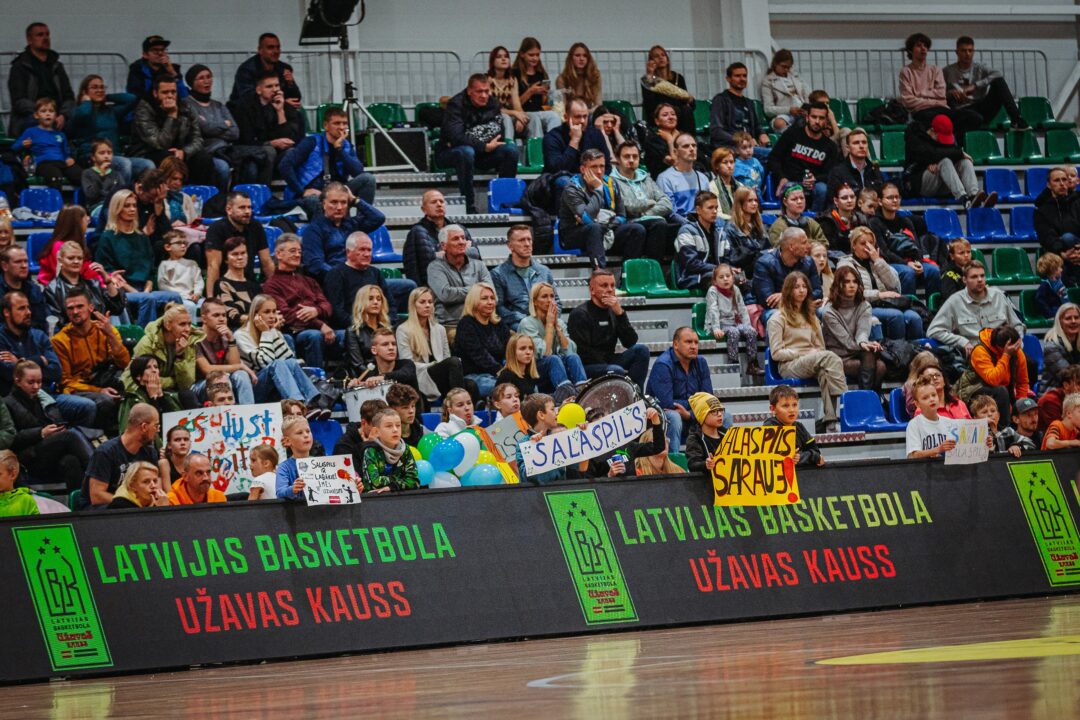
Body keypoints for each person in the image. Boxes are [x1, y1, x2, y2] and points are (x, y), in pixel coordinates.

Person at [767, 272, 847, 433]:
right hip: (789, 365)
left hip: (812, 361)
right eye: (796, 287)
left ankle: (831, 421)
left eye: (804, 286)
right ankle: (847, 402)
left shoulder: (812, 317)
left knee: (826, 371)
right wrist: (802, 353)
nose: (801, 290)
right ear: (788, 290)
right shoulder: (777, 319)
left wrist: (812, 354)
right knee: (830, 357)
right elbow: (776, 353)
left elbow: (820, 348)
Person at [436, 74, 519, 214]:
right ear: (469, 91)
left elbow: (498, 133)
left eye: (486, 91)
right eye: (479, 91)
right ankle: (468, 206)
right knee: (466, 152)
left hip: (482, 154)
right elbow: (456, 137)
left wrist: (475, 140)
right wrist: (483, 145)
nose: (484, 95)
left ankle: (504, 203)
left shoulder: (493, 103)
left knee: (510, 150)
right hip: (450, 153)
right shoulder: (456, 104)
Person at [5, 359, 93, 492]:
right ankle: (99, 471)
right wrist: (41, 433)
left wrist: (57, 428)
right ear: (17, 381)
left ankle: (82, 500)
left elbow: (56, 421)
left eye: (39, 382)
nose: (36, 386)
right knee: (69, 436)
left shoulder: (44, 400)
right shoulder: (7, 403)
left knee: (70, 461)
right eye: (31, 382)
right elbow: (11, 438)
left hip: (47, 453)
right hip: (27, 457)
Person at [95, 190, 178, 326]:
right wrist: (137, 292)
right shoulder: (108, 237)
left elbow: (151, 270)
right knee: (147, 299)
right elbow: (109, 273)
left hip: (145, 289)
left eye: (134, 205)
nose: (132, 209)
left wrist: (147, 290)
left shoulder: (142, 237)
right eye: (127, 206)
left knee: (175, 297)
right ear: (117, 209)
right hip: (123, 291)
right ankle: (146, 337)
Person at [51, 288, 130, 428]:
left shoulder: (105, 329)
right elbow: (67, 382)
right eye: (70, 308)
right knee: (105, 400)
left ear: (91, 308)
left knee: (131, 387)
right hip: (80, 388)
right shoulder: (59, 340)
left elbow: (124, 363)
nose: (75, 312)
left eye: (80, 306)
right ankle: (102, 435)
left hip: (105, 377)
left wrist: (110, 335)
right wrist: (98, 391)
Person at [278, 106, 376, 217]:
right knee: (314, 201)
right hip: (314, 193)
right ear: (326, 126)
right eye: (337, 123)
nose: (341, 127)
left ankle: (361, 222)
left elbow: (358, 172)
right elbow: (285, 165)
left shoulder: (347, 146)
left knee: (368, 179)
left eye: (344, 124)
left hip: (337, 191)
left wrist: (340, 150)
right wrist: (302, 191)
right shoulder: (311, 142)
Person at [234, 294, 326, 410]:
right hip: (255, 388)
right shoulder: (241, 335)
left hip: (277, 385)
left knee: (291, 362)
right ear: (255, 315)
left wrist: (272, 332)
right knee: (277, 364)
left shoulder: (271, 331)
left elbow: (288, 359)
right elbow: (265, 363)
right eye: (267, 312)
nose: (272, 316)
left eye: (274, 311)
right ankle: (296, 405)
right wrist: (267, 333)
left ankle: (313, 402)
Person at [262, 234, 339, 369]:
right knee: (314, 336)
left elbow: (327, 306)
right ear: (279, 254)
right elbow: (287, 315)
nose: (298, 255)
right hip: (296, 331)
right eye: (293, 251)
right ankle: (316, 378)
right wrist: (320, 324)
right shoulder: (271, 285)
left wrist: (316, 311)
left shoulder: (309, 280)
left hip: (322, 328)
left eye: (299, 251)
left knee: (349, 334)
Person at [558, 149, 645, 268]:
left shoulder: (611, 183)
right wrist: (598, 189)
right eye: (594, 167)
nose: (599, 171)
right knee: (594, 228)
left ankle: (627, 273)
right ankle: (599, 271)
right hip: (574, 234)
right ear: (583, 169)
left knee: (637, 229)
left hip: (605, 229)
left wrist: (605, 224)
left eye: (602, 166)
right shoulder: (572, 189)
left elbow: (622, 216)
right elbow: (587, 219)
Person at [567, 269, 651, 388]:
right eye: (604, 286)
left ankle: (636, 393)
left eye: (612, 285)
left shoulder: (614, 311)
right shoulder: (580, 314)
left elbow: (630, 342)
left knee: (641, 351)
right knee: (615, 369)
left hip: (609, 361)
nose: (610, 290)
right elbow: (582, 352)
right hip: (587, 366)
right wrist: (608, 364)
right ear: (592, 290)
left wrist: (620, 314)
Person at [837, 227, 922, 340]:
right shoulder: (845, 265)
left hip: (885, 304)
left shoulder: (877, 262)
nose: (868, 247)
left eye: (871, 243)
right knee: (895, 316)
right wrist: (879, 295)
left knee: (914, 318)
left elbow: (894, 286)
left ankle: (917, 349)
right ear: (853, 246)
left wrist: (878, 262)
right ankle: (897, 349)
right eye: (863, 243)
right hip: (860, 307)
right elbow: (849, 293)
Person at [130, 76, 215, 188]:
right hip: (149, 153)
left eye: (173, 92)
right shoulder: (144, 110)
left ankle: (200, 194)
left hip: (179, 152)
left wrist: (184, 152)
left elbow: (197, 139)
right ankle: (168, 194)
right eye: (165, 92)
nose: (170, 96)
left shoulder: (185, 107)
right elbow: (160, 144)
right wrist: (171, 115)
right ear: (155, 93)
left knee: (205, 159)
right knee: (168, 158)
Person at [184, 65, 257, 186]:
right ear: (192, 82)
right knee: (222, 167)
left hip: (225, 150)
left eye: (209, 77)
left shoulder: (218, 105)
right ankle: (220, 196)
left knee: (250, 163)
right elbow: (203, 127)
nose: (206, 81)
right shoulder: (187, 104)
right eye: (201, 78)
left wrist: (211, 126)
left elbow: (235, 132)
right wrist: (224, 124)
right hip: (205, 151)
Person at [928, 262, 1024, 354]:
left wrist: (1017, 341)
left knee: (1028, 362)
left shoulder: (999, 296)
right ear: (964, 280)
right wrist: (961, 341)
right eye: (974, 277)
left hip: (1002, 351)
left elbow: (1017, 325)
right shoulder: (954, 301)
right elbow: (934, 330)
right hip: (975, 354)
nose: (980, 280)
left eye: (982, 276)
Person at [396, 287, 470, 404]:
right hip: (421, 375)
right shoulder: (403, 330)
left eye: (430, 302)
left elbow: (446, 357)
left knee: (471, 385)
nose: (427, 305)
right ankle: (457, 405)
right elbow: (408, 364)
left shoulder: (439, 329)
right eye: (422, 302)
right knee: (453, 362)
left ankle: (460, 409)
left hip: (440, 374)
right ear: (413, 305)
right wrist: (434, 365)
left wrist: (440, 365)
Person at [300, 183, 386, 284]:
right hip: (333, 283)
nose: (339, 207)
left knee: (401, 286)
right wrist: (343, 276)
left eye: (344, 202)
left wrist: (355, 200)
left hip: (359, 278)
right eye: (334, 202)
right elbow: (315, 264)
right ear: (323, 204)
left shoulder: (352, 224)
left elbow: (378, 218)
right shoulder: (314, 230)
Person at [608, 141, 680, 262]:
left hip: (650, 222)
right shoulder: (611, 181)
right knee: (653, 225)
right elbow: (626, 206)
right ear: (618, 159)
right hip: (625, 226)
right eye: (626, 156)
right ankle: (638, 269)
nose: (631, 160)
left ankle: (655, 268)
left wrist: (645, 213)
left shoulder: (646, 178)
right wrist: (648, 203)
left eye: (635, 156)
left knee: (676, 228)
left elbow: (667, 203)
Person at [898, 33, 980, 137]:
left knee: (975, 117)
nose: (923, 49)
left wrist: (919, 94)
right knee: (937, 121)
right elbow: (908, 100)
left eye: (925, 46)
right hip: (921, 111)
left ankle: (955, 143)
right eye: (919, 45)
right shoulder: (906, 71)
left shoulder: (935, 70)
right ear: (910, 50)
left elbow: (941, 94)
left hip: (942, 108)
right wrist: (932, 99)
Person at [646, 327, 714, 452]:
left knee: (725, 416)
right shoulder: (663, 364)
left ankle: (718, 460)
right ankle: (674, 460)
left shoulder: (701, 363)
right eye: (688, 342)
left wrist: (689, 414)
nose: (693, 346)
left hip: (692, 417)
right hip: (663, 419)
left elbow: (709, 400)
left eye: (696, 342)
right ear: (676, 344)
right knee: (674, 416)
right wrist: (697, 405)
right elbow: (667, 404)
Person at [326, 231, 413, 328]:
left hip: (379, 326)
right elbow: (338, 312)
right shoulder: (336, 274)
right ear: (348, 252)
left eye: (369, 250)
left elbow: (390, 304)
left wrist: (387, 322)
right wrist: (365, 326)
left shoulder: (375, 273)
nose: (367, 254)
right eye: (362, 250)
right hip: (352, 327)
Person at [68, 76, 146, 182]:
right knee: (124, 164)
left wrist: (106, 96)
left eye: (102, 87)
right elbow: (84, 113)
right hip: (91, 157)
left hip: (115, 156)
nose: (99, 90)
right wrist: (87, 101)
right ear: (84, 92)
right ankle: (119, 192)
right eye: (94, 87)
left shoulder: (111, 111)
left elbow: (131, 99)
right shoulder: (79, 111)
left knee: (146, 165)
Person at [82, 402, 160, 508]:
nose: (158, 430)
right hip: (101, 511)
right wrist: (133, 504)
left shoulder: (150, 453)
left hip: (135, 508)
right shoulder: (106, 452)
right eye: (156, 425)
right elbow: (97, 496)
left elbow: (156, 489)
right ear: (144, 427)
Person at [904, 114, 991, 209]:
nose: (943, 142)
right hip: (920, 183)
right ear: (932, 131)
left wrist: (940, 161)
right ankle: (963, 198)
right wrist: (931, 163)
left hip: (943, 182)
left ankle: (973, 195)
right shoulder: (916, 137)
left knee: (965, 162)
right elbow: (929, 153)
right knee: (945, 161)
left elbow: (950, 153)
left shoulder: (949, 137)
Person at [868, 183, 941, 296]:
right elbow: (884, 252)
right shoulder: (874, 222)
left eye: (897, 197)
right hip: (890, 264)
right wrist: (906, 263)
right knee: (908, 272)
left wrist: (918, 262)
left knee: (933, 270)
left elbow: (916, 246)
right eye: (890, 197)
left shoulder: (906, 221)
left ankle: (934, 306)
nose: (895, 200)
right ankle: (908, 304)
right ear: (880, 201)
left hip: (910, 263)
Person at [767, 102, 840, 213]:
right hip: (790, 181)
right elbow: (773, 158)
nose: (817, 121)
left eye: (821, 118)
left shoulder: (830, 146)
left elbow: (831, 173)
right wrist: (781, 177)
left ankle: (815, 219)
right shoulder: (792, 134)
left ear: (826, 121)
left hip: (813, 185)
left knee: (822, 189)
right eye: (814, 117)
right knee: (791, 188)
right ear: (807, 118)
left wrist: (816, 179)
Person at [124, 305, 202, 408]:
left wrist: (179, 356)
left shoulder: (188, 343)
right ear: (168, 325)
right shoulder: (148, 343)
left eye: (189, 324)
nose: (188, 329)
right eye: (182, 324)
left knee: (188, 395)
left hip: (170, 392)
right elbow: (141, 379)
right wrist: (173, 381)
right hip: (143, 390)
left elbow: (186, 384)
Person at [822, 265, 886, 390]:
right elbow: (846, 341)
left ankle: (866, 398)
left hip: (857, 352)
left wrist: (863, 342)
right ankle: (869, 398)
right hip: (838, 356)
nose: (852, 285)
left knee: (880, 366)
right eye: (847, 282)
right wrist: (864, 345)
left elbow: (863, 330)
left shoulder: (864, 306)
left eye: (855, 281)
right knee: (877, 365)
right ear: (838, 284)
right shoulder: (829, 311)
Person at [517, 282, 587, 393]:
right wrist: (549, 325)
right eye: (544, 296)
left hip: (555, 366)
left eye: (552, 296)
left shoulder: (559, 322)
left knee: (573, 357)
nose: (550, 300)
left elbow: (570, 351)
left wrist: (557, 328)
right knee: (553, 359)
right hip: (534, 369)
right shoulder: (527, 323)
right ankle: (566, 394)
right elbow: (545, 353)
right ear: (535, 301)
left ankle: (583, 392)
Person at [944, 36, 1027, 130]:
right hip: (962, 110)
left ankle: (1017, 119)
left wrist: (976, 85)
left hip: (981, 107)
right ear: (957, 52)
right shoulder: (947, 71)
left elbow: (998, 74)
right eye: (963, 51)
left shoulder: (980, 67)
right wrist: (951, 93)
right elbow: (940, 93)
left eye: (970, 50)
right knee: (968, 115)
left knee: (998, 81)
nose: (967, 54)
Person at [955, 324, 1031, 426]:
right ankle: (1003, 430)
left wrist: (1020, 405)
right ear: (1001, 347)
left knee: (1027, 404)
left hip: (1004, 390)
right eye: (1014, 347)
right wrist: (1006, 355)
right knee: (1001, 391)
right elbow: (993, 380)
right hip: (972, 390)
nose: (1017, 349)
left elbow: (1023, 382)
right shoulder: (980, 351)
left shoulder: (1017, 352)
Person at [402, 189, 480, 288]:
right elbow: (413, 267)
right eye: (433, 202)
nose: (439, 204)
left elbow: (476, 255)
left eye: (441, 201)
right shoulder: (417, 232)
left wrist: (440, 255)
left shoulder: (459, 229)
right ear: (423, 209)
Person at [6, 22, 74, 135]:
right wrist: (44, 113)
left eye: (47, 34)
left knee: (78, 122)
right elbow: (19, 101)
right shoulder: (20, 66)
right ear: (29, 39)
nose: (45, 38)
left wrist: (63, 115)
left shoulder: (57, 66)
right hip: (30, 116)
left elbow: (69, 96)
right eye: (40, 35)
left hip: (57, 115)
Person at [205, 191, 273, 296]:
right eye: (242, 208)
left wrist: (276, 291)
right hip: (225, 286)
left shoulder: (256, 226)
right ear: (229, 209)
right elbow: (213, 266)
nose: (247, 211)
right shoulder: (216, 229)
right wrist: (211, 298)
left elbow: (267, 262)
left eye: (249, 207)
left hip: (250, 283)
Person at [232, 71, 304, 170]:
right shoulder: (245, 109)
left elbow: (289, 139)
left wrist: (280, 111)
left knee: (292, 153)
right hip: (256, 152)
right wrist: (271, 143)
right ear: (258, 90)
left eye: (277, 85)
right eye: (269, 86)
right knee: (264, 155)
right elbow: (246, 140)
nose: (275, 90)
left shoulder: (286, 108)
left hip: (279, 153)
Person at [452, 283, 511, 401]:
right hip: (474, 376)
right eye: (484, 298)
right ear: (473, 301)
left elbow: (509, 350)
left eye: (492, 298)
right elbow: (479, 354)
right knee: (505, 389)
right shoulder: (466, 324)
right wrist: (501, 372)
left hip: (497, 373)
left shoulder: (499, 324)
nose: (490, 302)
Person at [490, 225, 557, 330]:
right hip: (517, 324)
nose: (527, 244)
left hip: (545, 321)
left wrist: (550, 319)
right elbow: (499, 307)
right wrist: (526, 320)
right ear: (510, 246)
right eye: (521, 240)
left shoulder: (544, 271)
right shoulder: (498, 274)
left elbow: (556, 301)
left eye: (529, 239)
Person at [427, 224, 493, 328]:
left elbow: (492, 294)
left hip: (481, 321)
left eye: (463, 238)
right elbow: (446, 294)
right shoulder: (435, 268)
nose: (461, 242)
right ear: (444, 246)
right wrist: (477, 291)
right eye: (456, 239)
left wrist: (480, 294)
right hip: (451, 324)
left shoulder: (479, 265)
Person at [195, 299, 256, 404]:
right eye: (216, 315)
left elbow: (234, 364)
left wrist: (231, 340)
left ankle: (248, 411)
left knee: (241, 374)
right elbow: (207, 370)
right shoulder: (195, 339)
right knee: (222, 380)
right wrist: (240, 366)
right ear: (204, 319)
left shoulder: (226, 337)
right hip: (201, 385)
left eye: (224, 315)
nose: (222, 319)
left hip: (223, 379)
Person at [705, 264, 762, 376]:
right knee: (734, 332)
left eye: (728, 276)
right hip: (718, 325)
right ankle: (733, 365)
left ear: (733, 278)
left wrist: (747, 325)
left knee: (751, 331)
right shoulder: (713, 291)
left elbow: (742, 309)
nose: (725, 279)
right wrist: (716, 328)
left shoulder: (735, 289)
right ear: (715, 281)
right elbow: (713, 310)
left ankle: (752, 364)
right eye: (721, 277)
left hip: (733, 323)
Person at [753, 227, 822, 317]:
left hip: (804, 306)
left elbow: (818, 292)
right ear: (791, 247)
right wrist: (801, 299)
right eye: (804, 243)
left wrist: (785, 296)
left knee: (822, 311)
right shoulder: (764, 263)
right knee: (775, 315)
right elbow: (768, 301)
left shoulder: (809, 262)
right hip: (777, 310)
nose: (809, 246)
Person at [15, 98, 82, 189]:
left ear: (56, 116)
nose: (48, 114)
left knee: (81, 176)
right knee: (55, 177)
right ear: (36, 115)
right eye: (43, 111)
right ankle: (56, 198)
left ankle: (87, 198)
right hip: (44, 163)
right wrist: (22, 144)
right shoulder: (30, 131)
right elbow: (14, 147)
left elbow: (65, 152)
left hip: (62, 162)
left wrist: (68, 158)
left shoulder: (61, 134)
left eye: (51, 111)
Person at [497, 331, 578, 402]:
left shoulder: (529, 374)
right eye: (522, 348)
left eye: (531, 348)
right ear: (512, 352)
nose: (528, 352)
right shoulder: (506, 376)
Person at [719, 187, 769, 302]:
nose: (754, 204)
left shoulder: (760, 227)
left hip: (760, 272)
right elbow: (730, 259)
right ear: (740, 203)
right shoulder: (730, 229)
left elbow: (768, 251)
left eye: (756, 200)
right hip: (742, 275)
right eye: (750, 200)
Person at [541, 96, 611, 178]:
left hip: (591, 178)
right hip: (561, 179)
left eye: (585, 116)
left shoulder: (595, 134)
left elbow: (607, 165)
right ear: (566, 117)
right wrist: (574, 141)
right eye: (578, 117)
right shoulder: (552, 137)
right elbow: (556, 170)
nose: (582, 121)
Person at [711, 62, 770, 157]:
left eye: (744, 76)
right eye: (737, 76)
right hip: (731, 147)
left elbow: (757, 126)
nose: (742, 79)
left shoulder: (749, 103)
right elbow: (716, 131)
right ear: (728, 79)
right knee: (774, 155)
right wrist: (743, 140)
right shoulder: (720, 100)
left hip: (750, 148)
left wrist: (762, 134)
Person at [1034, 168, 1080, 285]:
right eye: (1057, 180)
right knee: (1066, 240)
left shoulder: (1078, 202)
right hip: (1059, 255)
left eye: (1064, 179)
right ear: (1049, 185)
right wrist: (1062, 253)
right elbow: (1047, 237)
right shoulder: (1042, 211)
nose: (1062, 183)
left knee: (1068, 238)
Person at [230, 33, 302, 107]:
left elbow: (296, 99)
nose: (276, 51)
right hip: (244, 110)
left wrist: (291, 84)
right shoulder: (246, 70)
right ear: (260, 50)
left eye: (278, 47)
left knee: (295, 112)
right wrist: (281, 103)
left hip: (275, 109)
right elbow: (248, 99)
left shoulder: (283, 68)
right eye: (270, 47)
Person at [358, 408, 420, 493]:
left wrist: (392, 487)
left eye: (398, 425)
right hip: (376, 499)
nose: (395, 430)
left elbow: (414, 482)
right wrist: (401, 481)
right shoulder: (371, 451)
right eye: (389, 426)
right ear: (376, 431)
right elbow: (374, 483)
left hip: (401, 498)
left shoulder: (405, 449)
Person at [511, 37, 561, 139]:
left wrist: (546, 96)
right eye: (531, 55)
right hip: (523, 112)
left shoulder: (541, 74)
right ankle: (537, 145)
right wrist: (530, 92)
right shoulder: (515, 73)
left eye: (537, 55)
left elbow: (544, 103)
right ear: (522, 54)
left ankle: (553, 143)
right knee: (535, 119)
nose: (535, 58)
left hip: (539, 111)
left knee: (554, 116)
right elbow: (513, 104)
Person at [117, 354, 183, 430]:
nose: (154, 370)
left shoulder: (168, 396)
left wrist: (161, 396)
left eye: (156, 367)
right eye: (148, 367)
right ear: (138, 376)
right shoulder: (132, 399)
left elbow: (175, 422)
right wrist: (153, 399)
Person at [348, 326, 419, 396]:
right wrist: (355, 385)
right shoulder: (370, 373)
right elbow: (360, 385)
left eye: (394, 344)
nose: (391, 348)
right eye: (385, 344)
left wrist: (382, 378)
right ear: (374, 350)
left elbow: (404, 375)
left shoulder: (407, 364)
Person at [673, 191, 721, 294]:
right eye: (710, 208)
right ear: (698, 210)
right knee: (719, 280)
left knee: (742, 280)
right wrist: (718, 269)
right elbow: (691, 264)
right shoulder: (686, 231)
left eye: (716, 208)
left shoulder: (719, 232)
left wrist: (730, 269)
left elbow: (726, 258)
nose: (715, 211)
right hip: (691, 277)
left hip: (716, 274)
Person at [515, 393, 567, 484]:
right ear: (541, 415)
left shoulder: (560, 437)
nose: (557, 412)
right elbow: (533, 478)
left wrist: (584, 432)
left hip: (563, 491)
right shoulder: (523, 445)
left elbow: (580, 468)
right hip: (537, 493)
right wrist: (535, 448)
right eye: (552, 409)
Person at [764, 384, 823, 466]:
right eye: (785, 406)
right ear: (773, 409)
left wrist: (800, 457)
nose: (792, 410)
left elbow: (817, 454)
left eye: (795, 405)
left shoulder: (799, 427)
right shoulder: (769, 428)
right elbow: (774, 459)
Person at [641, 45, 695, 133]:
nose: (661, 58)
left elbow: (687, 102)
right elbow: (649, 104)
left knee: (686, 110)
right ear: (651, 61)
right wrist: (650, 75)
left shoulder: (678, 77)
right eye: (656, 56)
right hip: (658, 114)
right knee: (670, 113)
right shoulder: (647, 79)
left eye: (663, 55)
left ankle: (688, 139)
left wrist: (690, 99)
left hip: (678, 113)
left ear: (667, 59)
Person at [214, 236, 263, 330]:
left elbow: (264, 309)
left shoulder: (254, 284)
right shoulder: (222, 284)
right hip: (237, 330)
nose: (240, 257)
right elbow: (232, 316)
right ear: (226, 259)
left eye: (243, 253)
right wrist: (259, 320)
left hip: (258, 328)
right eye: (235, 254)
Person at [825, 128, 884, 205]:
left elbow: (881, 198)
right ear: (848, 148)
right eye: (856, 143)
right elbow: (833, 202)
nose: (861, 146)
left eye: (864, 142)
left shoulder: (874, 170)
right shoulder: (837, 173)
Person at [657, 134, 710, 217]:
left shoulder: (703, 178)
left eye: (694, 145)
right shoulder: (665, 179)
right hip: (680, 223)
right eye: (686, 146)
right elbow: (671, 213)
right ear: (675, 152)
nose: (692, 149)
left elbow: (708, 207)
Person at [906, 377, 958, 459]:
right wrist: (937, 450)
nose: (931, 399)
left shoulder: (949, 423)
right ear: (917, 404)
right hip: (925, 467)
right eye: (925, 398)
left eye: (934, 395)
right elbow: (913, 455)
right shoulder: (914, 424)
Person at [760, 49, 810, 132]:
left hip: (802, 111)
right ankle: (791, 137)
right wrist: (789, 110)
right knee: (779, 123)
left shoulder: (796, 76)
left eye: (789, 67)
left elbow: (808, 94)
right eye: (784, 66)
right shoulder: (768, 81)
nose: (786, 70)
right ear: (775, 64)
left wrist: (808, 108)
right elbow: (768, 109)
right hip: (785, 114)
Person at [276, 415, 324, 501]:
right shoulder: (284, 467)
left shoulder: (321, 463)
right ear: (287, 441)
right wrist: (292, 489)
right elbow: (280, 492)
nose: (306, 435)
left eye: (308, 431)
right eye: (299, 433)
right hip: (296, 508)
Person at [127, 35, 189, 102]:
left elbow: (184, 96)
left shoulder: (172, 69)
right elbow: (135, 96)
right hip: (146, 106)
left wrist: (173, 73)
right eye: (155, 50)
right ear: (145, 55)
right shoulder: (137, 70)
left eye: (163, 50)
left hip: (170, 104)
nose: (160, 53)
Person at [157, 230, 203, 320]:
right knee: (190, 306)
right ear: (168, 247)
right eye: (179, 243)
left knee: (209, 305)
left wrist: (197, 293)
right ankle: (190, 327)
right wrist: (180, 296)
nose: (183, 246)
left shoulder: (192, 264)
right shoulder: (164, 265)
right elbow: (162, 285)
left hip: (193, 297)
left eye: (185, 243)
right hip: (176, 299)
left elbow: (198, 281)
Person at [0, 247, 47, 333]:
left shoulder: (35, 290)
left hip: (36, 338)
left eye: (26, 261)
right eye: (18, 262)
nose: (24, 266)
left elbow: (46, 319)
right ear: (5, 266)